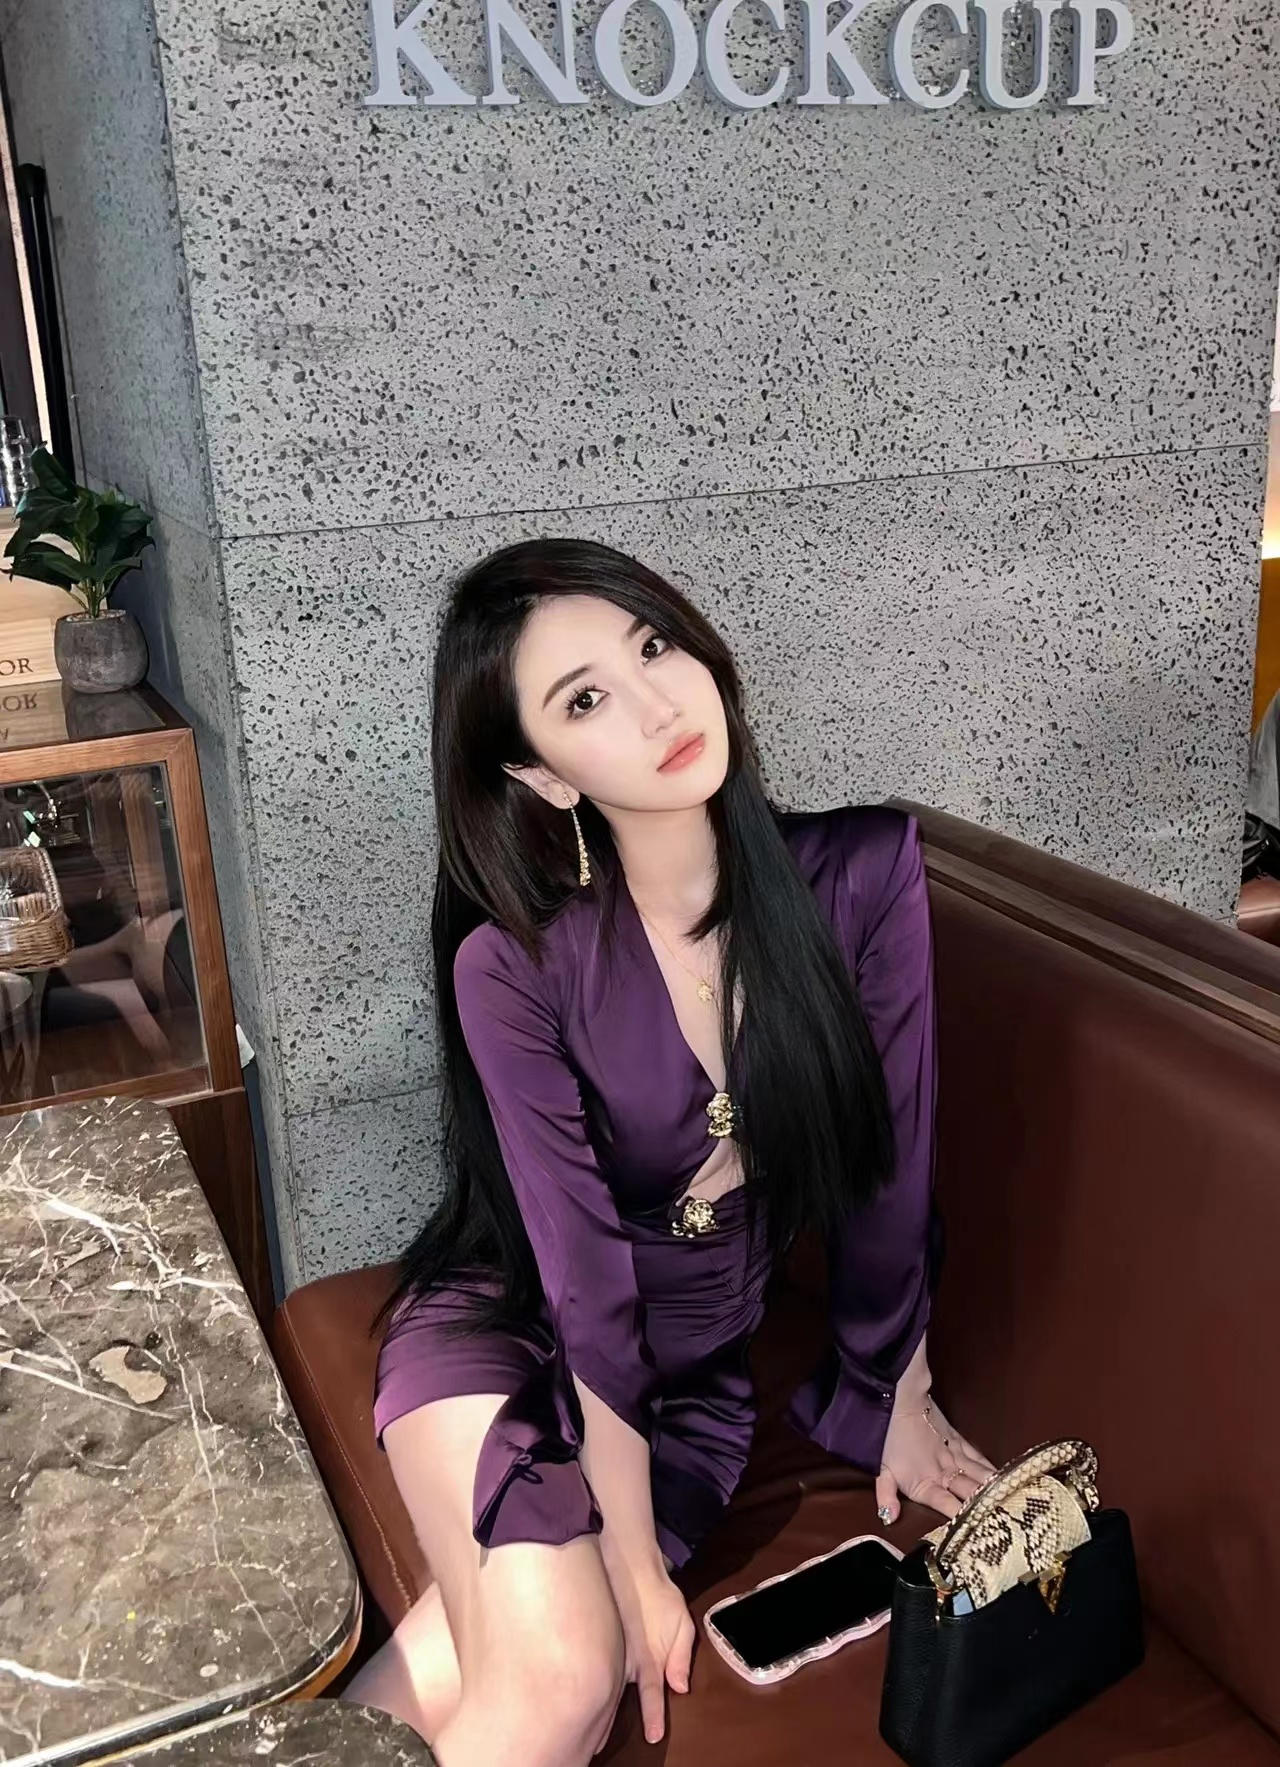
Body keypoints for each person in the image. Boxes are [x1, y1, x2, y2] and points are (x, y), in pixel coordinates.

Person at [340, 538, 993, 1766]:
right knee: (570, 1678)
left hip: (683, 1387)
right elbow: (581, 1280)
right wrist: (635, 1562)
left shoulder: (860, 875)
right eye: (585, 699)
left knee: (477, 1668)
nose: (655, 706)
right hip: (506, 1333)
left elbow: (890, 1163)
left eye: (653, 647)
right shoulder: (515, 965)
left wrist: (890, 1386)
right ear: (540, 774)